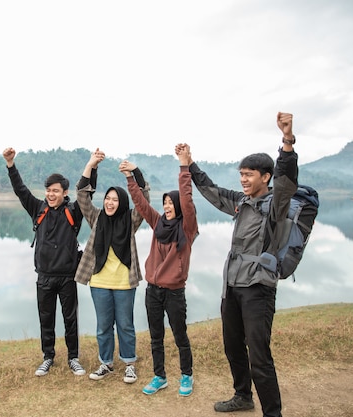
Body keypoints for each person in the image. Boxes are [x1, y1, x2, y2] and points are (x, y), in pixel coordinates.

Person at [184, 112, 298, 417]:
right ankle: (242, 396)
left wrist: (286, 141)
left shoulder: (276, 204)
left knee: (259, 355)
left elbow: (287, 180)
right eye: (241, 174)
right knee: (233, 346)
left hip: (258, 288)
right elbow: (211, 191)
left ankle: (272, 412)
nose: (243, 180)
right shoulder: (241, 202)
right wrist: (190, 164)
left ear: (265, 177)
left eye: (249, 174)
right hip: (232, 285)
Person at [2, 147, 88, 377]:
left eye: (55, 191)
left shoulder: (74, 211)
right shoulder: (38, 208)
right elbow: (21, 190)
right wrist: (11, 164)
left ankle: (73, 358)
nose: (51, 195)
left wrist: (92, 167)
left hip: (68, 276)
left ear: (65, 192)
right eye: (48, 191)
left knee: (71, 319)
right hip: (44, 277)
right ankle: (48, 357)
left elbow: (86, 190)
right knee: (46, 318)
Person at [121, 146, 199, 397]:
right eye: (164, 202)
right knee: (156, 337)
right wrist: (130, 178)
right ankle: (160, 376)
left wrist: (184, 166)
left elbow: (187, 200)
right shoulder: (157, 224)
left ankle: (186, 375)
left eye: (170, 203)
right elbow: (141, 204)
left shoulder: (187, 229)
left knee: (180, 336)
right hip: (153, 291)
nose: (167, 206)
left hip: (175, 292)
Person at [74, 148, 149, 384]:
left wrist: (134, 171)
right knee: (103, 326)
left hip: (125, 282)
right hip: (99, 282)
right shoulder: (96, 218)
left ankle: (129, 363)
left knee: (125, 325)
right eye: (107, 198)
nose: (109, 202)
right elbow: (82, 195)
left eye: (115, 199)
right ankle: (105, 363)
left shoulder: (131, 220)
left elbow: (144, 197)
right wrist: (91, 164)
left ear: (123, 202)